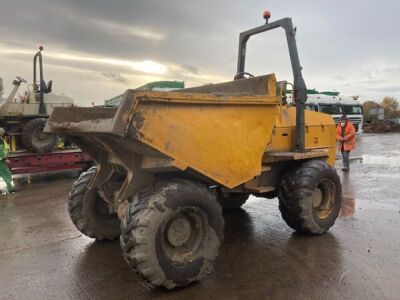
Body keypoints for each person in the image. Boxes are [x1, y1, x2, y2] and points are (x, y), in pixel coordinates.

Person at [0, 128, 15, 193]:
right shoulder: (0, 140)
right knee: (6, 174)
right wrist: (5, 158)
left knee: (2, 174)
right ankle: (11, 189)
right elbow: (0, 150)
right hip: (1, 161)